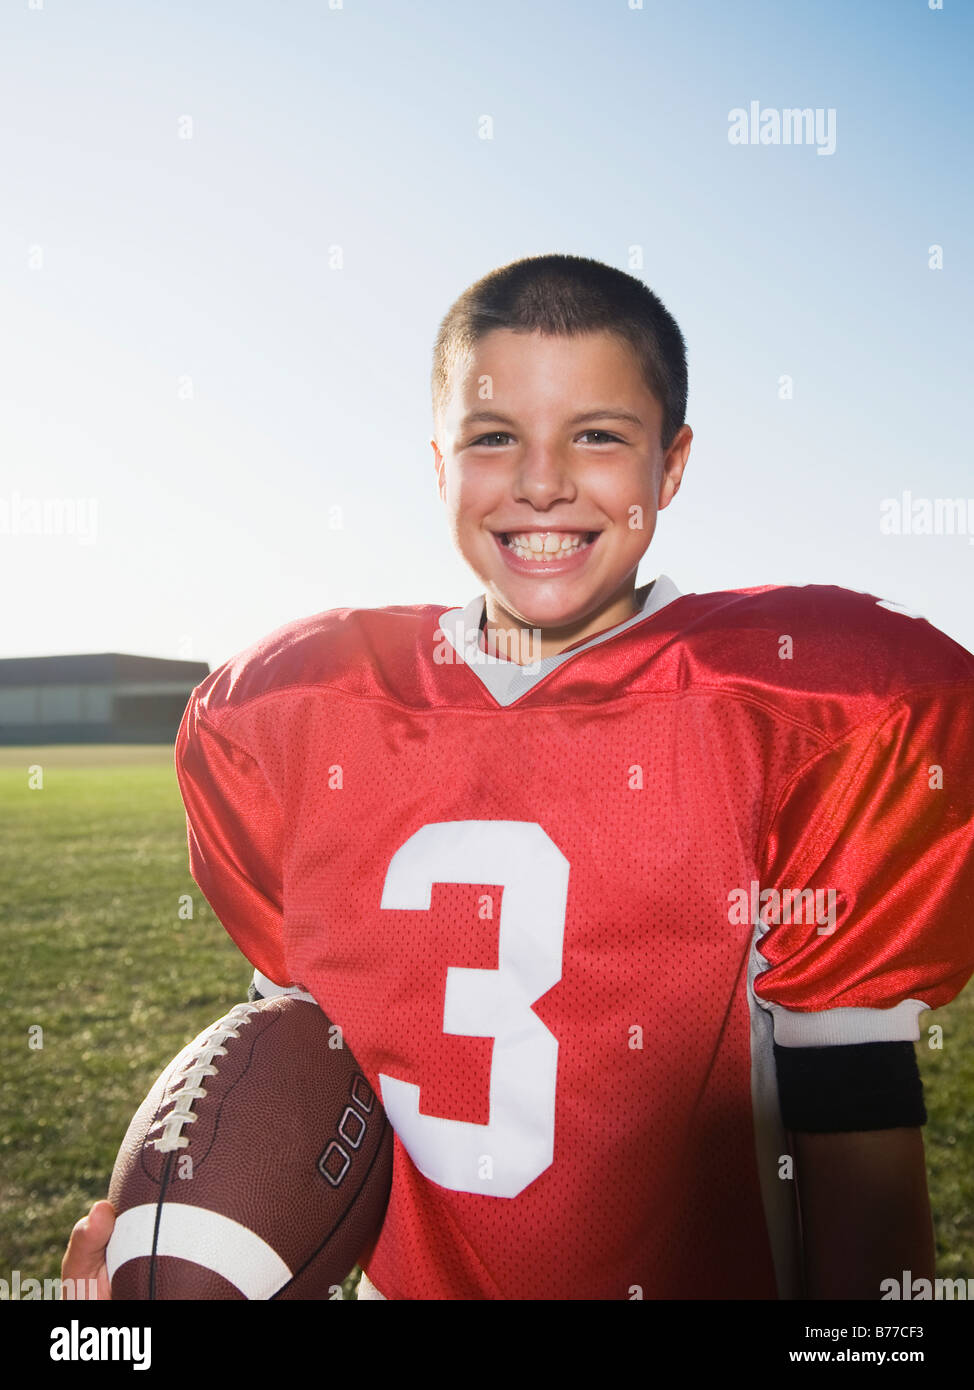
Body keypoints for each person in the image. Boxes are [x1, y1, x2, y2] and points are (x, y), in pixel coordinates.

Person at [63, 253, 974, 1300]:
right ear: (439, 464)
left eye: (596, 435)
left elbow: (862, 1187)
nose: (541, 481)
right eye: (494, 438)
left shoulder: (807, 716)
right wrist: (165, 1272)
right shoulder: (288, 715)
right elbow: (300, 1087)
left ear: (669, 466)